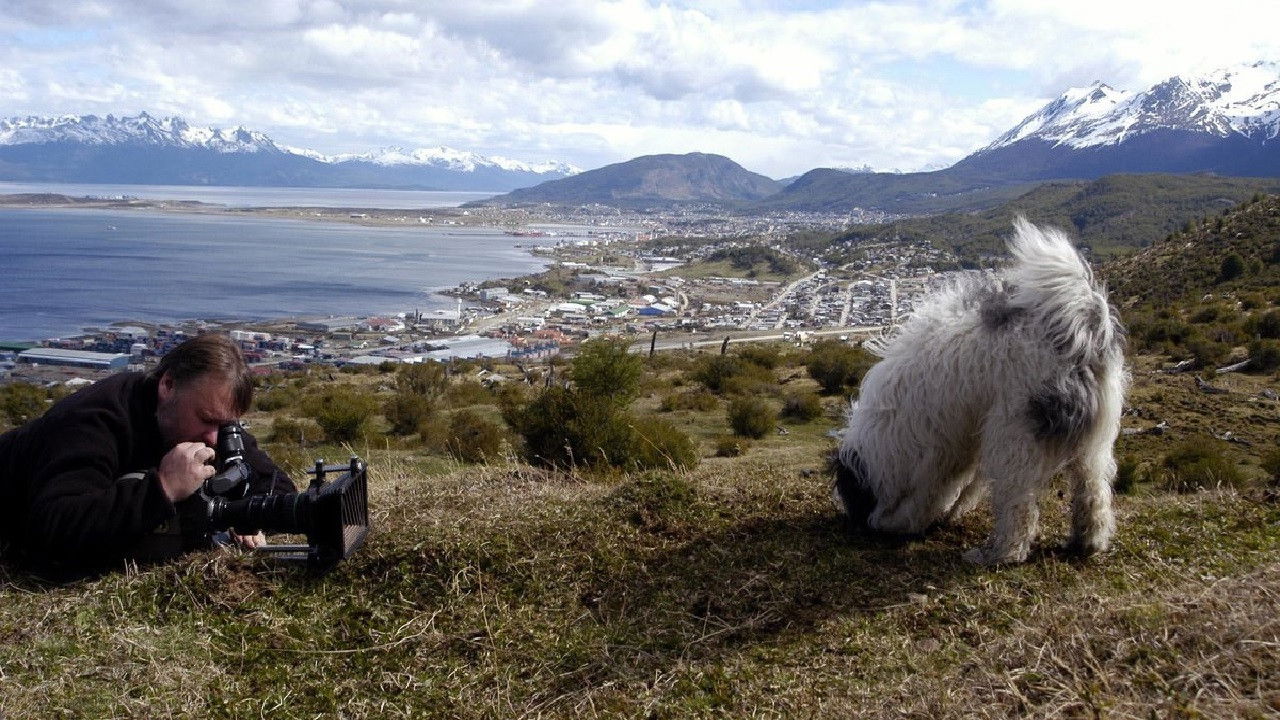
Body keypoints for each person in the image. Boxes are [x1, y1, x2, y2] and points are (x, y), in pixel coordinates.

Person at [0, 334, 295, 578]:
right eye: (207, 420)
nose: (214, 438)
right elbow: (53, 528)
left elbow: (276, 486)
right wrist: (163, 488)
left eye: (225, 424)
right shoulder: (94, 420)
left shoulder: (209, 421)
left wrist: (245, 514)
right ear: (167, 385)